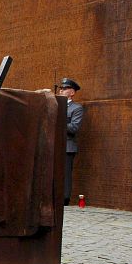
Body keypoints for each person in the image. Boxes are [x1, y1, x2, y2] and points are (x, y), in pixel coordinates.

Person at [58, 77, 84, 205]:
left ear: (72, 92)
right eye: (60, 88)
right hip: (55, 145)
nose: (61, 90)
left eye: (65, 88)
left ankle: (65, 199)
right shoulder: (56, 105)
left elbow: (74, 127)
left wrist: (59, 121)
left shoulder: (76, 108)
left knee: (65, 174)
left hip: (67, 145)